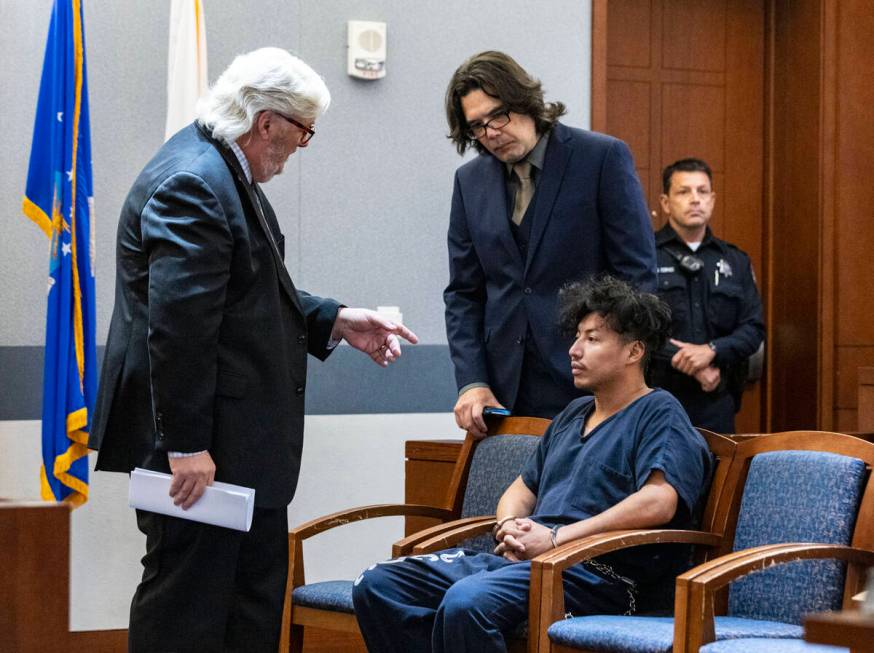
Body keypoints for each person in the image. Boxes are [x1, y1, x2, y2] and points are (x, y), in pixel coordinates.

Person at [88, 48, 417, 653]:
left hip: (238, 454)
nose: (297, 151)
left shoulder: (220, 170)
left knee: (245, 610)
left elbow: (248, 291)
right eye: (302, 134)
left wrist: (336, 319)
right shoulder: (196, 180)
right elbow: (179, 329)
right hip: (203, 457)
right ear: (267, 122)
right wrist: (187, 444)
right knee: (188, 614)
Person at [353, 276, 712, 653]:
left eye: (592, 339)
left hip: (597, 575)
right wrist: (509, 527)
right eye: (577, 336)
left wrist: (556, 539)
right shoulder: (574, 414)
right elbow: (521, 489)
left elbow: (659, 501)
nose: (574, 350)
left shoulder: (658, 412)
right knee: (377, 584)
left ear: (634, 351)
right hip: (531, 562)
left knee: (467, 603)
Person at [443, 50, 657, 439]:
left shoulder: (600, 158)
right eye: (477, 126)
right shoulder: (469, 182)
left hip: (590, 382)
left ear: (526, 101)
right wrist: (472, 380)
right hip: (503, 390)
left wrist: (615, 363)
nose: (491, 132)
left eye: (498, 115)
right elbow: (463, 293)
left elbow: (637, 277)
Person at [649, 158, 764, 433]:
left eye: (702, 192)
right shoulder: (644, 256)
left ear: (712, 200)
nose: (695, 200)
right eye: (684, 191)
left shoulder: (734, 260)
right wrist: (692, 363)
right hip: (657, 398)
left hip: (716, 398)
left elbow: (753, 328)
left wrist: (711, 352)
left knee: (718, 475)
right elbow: (633, 326)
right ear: (665, 202)